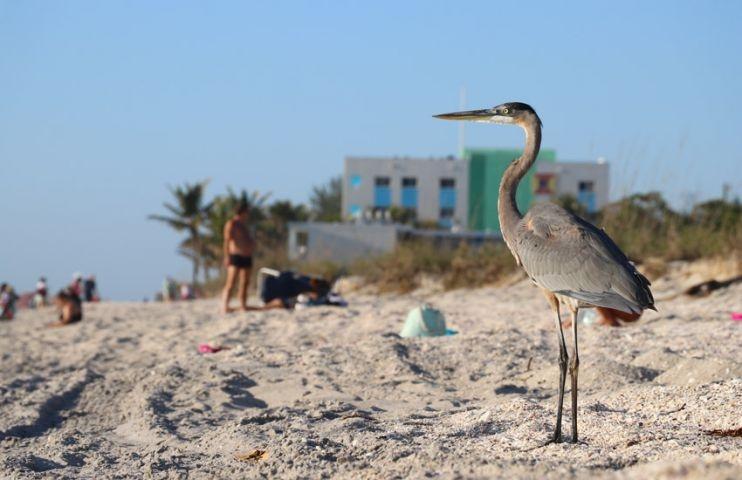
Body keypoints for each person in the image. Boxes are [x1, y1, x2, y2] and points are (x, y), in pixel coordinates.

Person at [221, 201, 256, 313]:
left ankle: (243, 305)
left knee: (245, 282)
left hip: (247, 256)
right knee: (231, 282)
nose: (248, 214)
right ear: (243, 212)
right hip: (235, 255)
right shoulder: (231, 224)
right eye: (247, 212)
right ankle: (225, 305)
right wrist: (227, 256)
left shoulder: (244, 225)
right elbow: (226, 241)